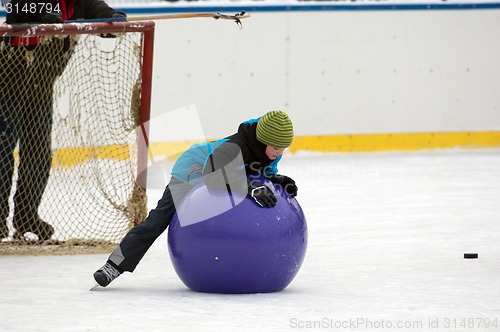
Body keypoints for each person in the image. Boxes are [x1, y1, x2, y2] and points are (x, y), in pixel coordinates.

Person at [93, 110, 299, 287]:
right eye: (276, 148)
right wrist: (249, 186)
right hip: (193, 171)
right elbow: (213, 177)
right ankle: (114, 266)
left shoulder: (270, 149)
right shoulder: (235, 148)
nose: (280, 153)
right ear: (263, 139)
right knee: (157, 221)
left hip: (226, 173)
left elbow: (263, 171)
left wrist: (277, 179)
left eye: (283, 148)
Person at [0, 0, 126, 240]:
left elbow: (101, 12)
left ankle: (27, 218)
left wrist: (114, 19)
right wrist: (43, 14)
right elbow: (16, 10)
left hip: (41, 85)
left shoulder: (79, 2)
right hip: (6, 82)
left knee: (38, 154)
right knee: (2, 152)